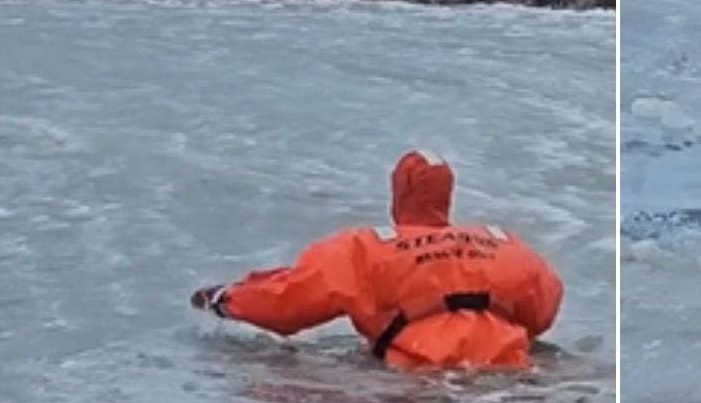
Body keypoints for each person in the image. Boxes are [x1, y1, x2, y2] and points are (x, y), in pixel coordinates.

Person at [189, 149, 565, 372]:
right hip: (511, 375)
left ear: (397, 192)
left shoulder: (365, 249)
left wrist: (225, 298)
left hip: (419, 383)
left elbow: (287, 304)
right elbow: (543, 311)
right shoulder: (503, 244)